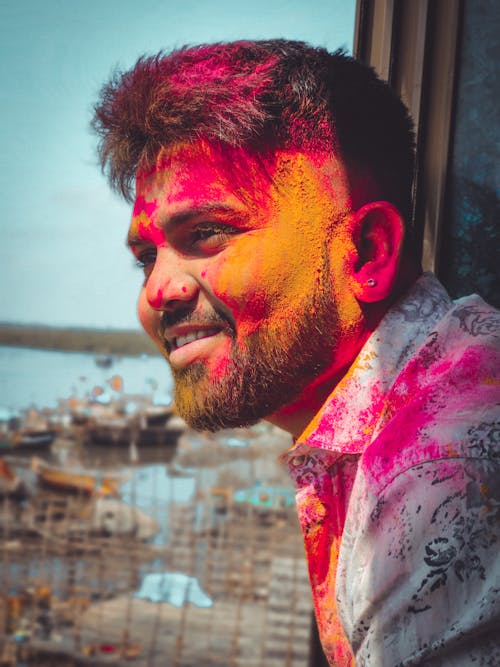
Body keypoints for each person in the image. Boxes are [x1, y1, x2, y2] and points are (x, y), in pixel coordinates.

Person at [92, 40, 500, 666]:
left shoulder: (433, 470)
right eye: (148, 257)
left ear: (366, 252)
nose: (156, 292)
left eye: (207, 233)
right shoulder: (421, 400)